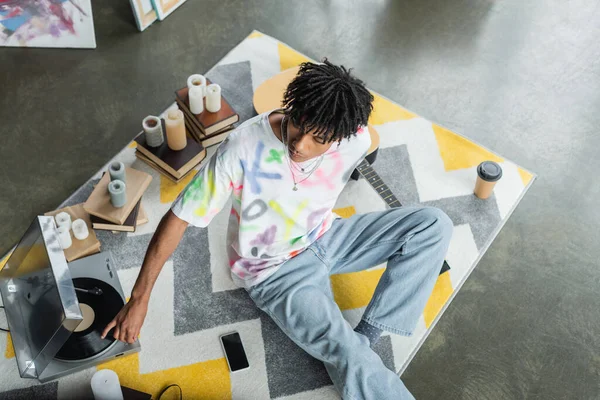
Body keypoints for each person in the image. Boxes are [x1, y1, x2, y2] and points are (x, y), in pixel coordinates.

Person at [102, 59, 453, 399]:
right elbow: (177, 219)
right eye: (298, 124)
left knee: (434, 225)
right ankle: (355, 353)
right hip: (274, 270)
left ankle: (366, 335)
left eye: (319, 139)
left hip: (328, 235)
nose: (300, 144)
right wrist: (139, 298)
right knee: (355, 362)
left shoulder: (354, 136)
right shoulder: (241, 148)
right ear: (293, 106)